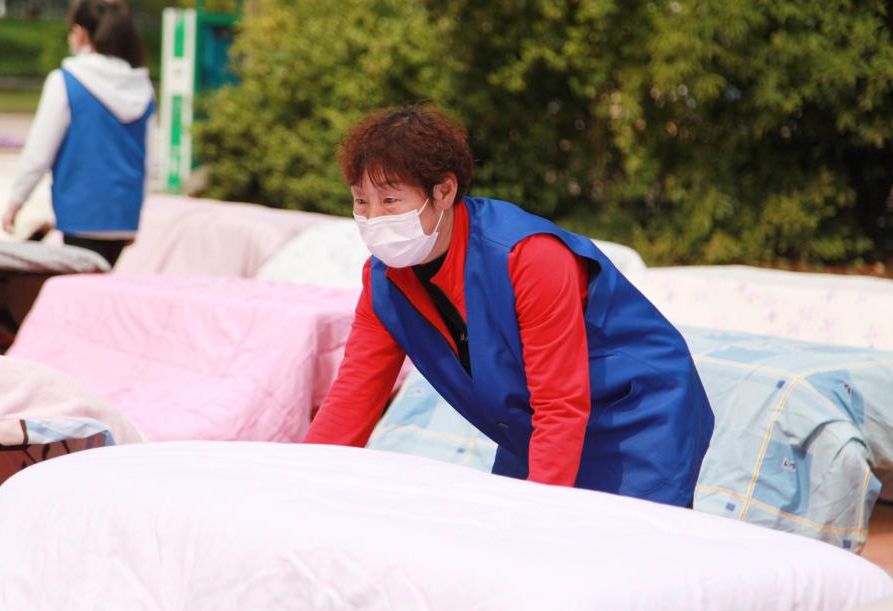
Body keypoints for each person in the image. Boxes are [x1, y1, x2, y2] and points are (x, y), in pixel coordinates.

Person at [305, 106, 714, 506]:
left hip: (636, 417)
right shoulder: (384, 279)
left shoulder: (528, 256)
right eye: (361, 202)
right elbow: (353, 394)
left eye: (390, 200)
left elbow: (560, 402)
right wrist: (299, 483)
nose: (373, 218)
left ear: (443, 191)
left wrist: (533, 514)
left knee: (611, 541)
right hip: (536, 425)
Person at [2, 0, 154, 267]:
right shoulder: (142, 87)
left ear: (80, 32)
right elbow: (147, 159)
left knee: (82, 287)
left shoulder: (66, 80)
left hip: (80, 212)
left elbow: (39, 152)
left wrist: (16, 201)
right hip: (124, 215)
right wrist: (135, 217)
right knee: (100, 283)